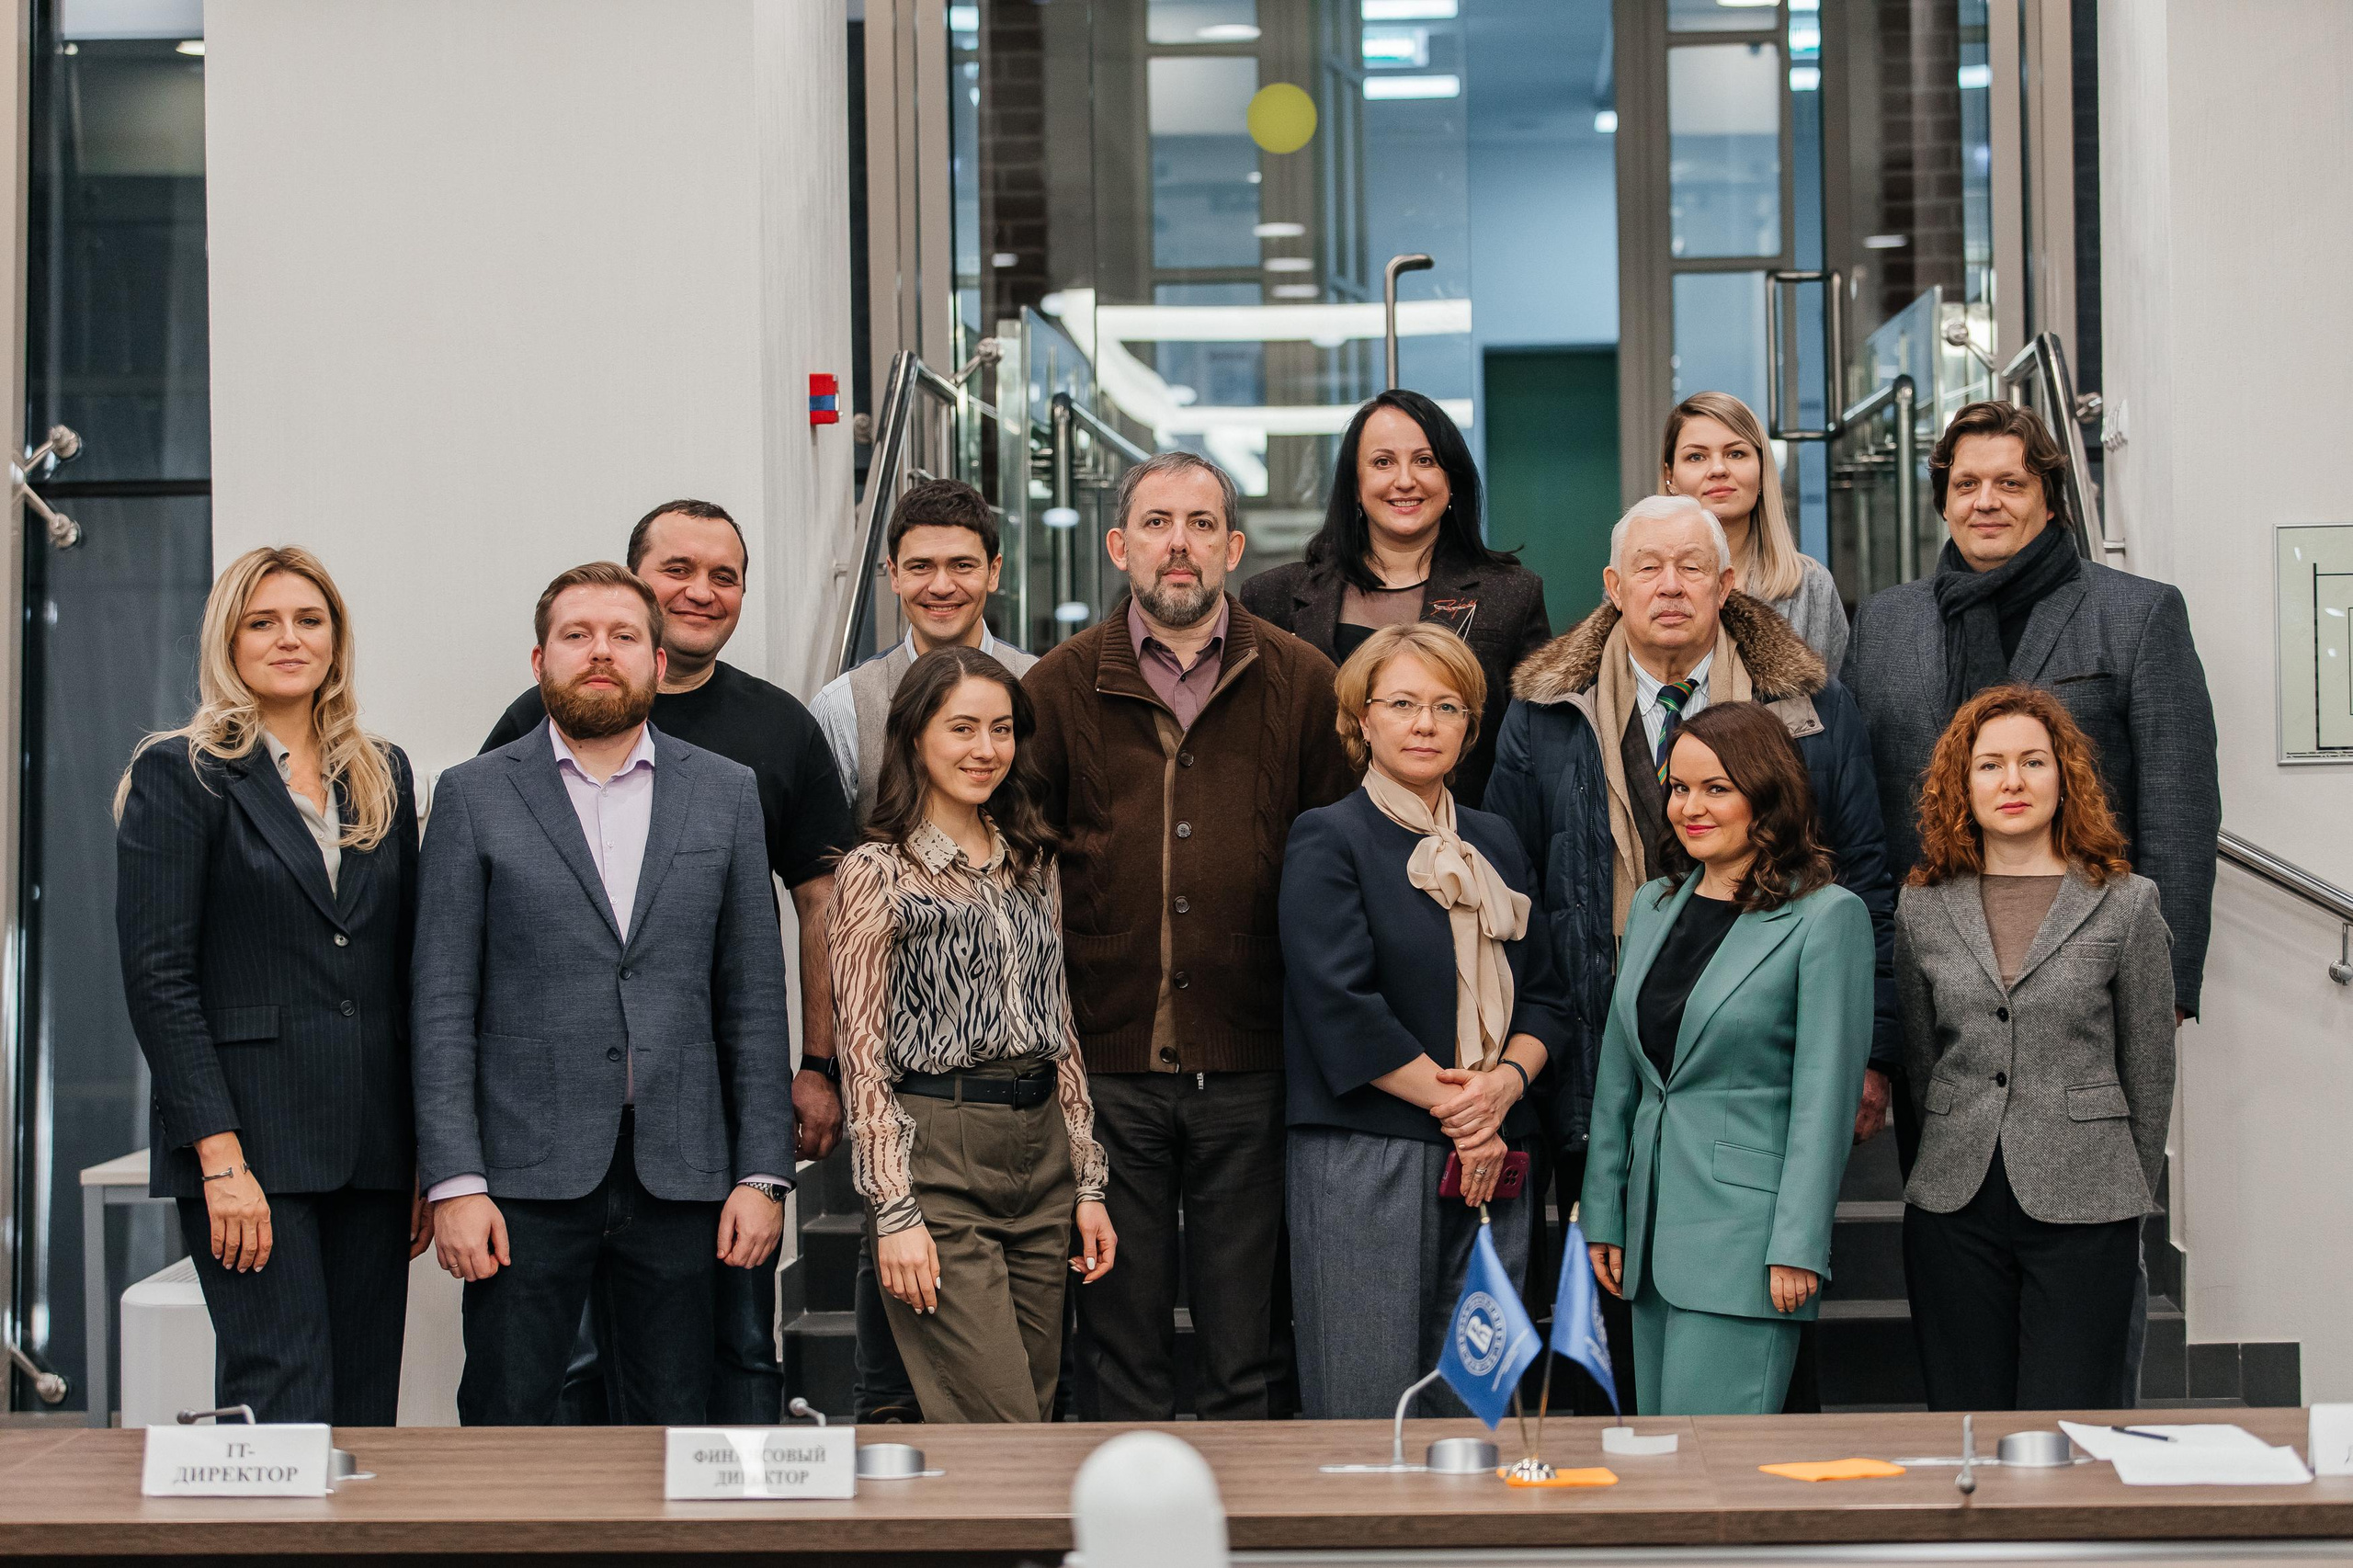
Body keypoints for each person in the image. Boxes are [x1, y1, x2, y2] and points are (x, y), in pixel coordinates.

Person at [1485, 493, 1894, 1413]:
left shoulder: (1811, 705)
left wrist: (1878, 1049)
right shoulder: (1541, 711)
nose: (1668, 585)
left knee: (1749, 1424)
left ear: (1727, 583)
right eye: (1648, 567)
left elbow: (1862, 870)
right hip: (1600, 1050)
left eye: (1689, 567)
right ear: (1612, 585)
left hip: (1753, 1080)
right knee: (1616, 1394)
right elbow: (1513, 903)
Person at [481, 498, 851, 1424]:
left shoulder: (777, 731)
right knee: (562, 1371)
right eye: (676, 568)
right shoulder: (537, 723)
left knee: (729, 1349)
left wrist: (815, 1066)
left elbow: (817, 907)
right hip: (559, 1133)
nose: (700, 590)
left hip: (712, 1121)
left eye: (724, 574)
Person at [416, 562, 796, 1426]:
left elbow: (753, 999)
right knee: (511, 1418)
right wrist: (455, 1182)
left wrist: (762, 1173)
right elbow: (440, 1004)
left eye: (624, 636)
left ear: (660, 664)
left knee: (673, 1424)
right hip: (520, 1177)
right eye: (577, 635)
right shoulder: (473, 797)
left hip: (684, 1172)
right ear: (539, 661)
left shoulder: (727, 793)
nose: (600, 652)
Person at [1024, 449, 1358, 1421]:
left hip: (1251, 1068)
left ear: (1234, 547)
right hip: (1106, 1069)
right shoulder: (1057, 685)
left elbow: (1339, 865)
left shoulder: (1302, 680)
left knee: (1244, 1344)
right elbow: (1016, 856)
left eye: (1202, 523)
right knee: (1117, 1339)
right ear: (1121, 545)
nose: (1180, 542)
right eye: (1159, 522)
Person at [115, 546, 425, 1425]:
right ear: (229, 640)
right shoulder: (182, 773)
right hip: (250, 1146)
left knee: (367, 1408)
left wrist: (420, 1154)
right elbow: (159, 979)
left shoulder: (381, 773)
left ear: (336, 638)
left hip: (372, 1144)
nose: (289, 639)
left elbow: (404, 975)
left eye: (309, 620)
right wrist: (219, 1160)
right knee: (282, 1394)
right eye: (264, 622)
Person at [1841, 399, 2218, 1026]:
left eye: (2009, 483)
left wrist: (2167, 986)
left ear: (2049, 500)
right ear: (1943, 502)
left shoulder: (2138, 616)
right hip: (1927, 975)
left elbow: (2179, 809)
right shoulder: (1884, 623)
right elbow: (1860, 817)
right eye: (1966, 485)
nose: (1985, 501)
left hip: (2087, 978)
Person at [1279, 623, 1573, 1418]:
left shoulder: (1498, 839)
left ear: (1470, 726)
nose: (1425, 724)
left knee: (1484, 1402)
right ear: (1361, 720)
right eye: (1402, 703)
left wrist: (1502, 1091)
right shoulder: (1328, 837)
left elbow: (1546, 996)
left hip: (1495, 1155)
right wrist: (1463, 1108)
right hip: (1368, 1155)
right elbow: (1339, 1007)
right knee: (1370, 1401)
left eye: (1447, 707)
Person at [829, 645, 1116, 1421]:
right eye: (961, 728)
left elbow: (1060, 1029)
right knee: (1002, 1422)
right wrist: (894, 1211)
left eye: (1000, 729)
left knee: (1036, 1404)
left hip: (1042, 1152)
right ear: (915, 734)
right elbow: (860, 1054)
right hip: (940, 1152)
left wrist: (1087, 1181)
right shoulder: (876, 871)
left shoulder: (1031, 861)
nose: (984, 749)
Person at [1579, 702, 1875, 1416]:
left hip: (1749, 1241)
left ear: (1766, 794)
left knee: (1715, 1476)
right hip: (1647, 1238)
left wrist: (1799, 1242)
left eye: (1716, 788)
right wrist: (1604, 1213)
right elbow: (1621, 1076)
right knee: (1662, 1469)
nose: (1690, 807)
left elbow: (1823, 1100)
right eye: (1680, 788)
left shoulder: (1827, 917)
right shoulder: (1654, 904)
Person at [1896, 685, 2175, 1411]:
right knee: (1965, 1420)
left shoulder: (2126, 900)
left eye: (2032, 762)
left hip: (2087, 1199)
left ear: (2065, 777)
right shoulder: (1922, 906)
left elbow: (2149, 1068)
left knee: (2070, 1421)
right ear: (1963, 784)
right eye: (1989, 766)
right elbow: (1924, 1062)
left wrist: (2125, 1189)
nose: (2012, 782)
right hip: (1956, 1203)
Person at [1241, 389, 1550, 808]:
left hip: (1460, 848)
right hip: (1314, 847)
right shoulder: (1271, 598)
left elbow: (1531, 756)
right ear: (1355, 483)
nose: (1405, 480)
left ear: (1451, 479)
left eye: (1425, 461)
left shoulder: (1510, 595)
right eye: (1383, 462)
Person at [813, 478, 1037, 821]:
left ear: (993, 572)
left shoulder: (1040, 684)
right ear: (895, 575)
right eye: (921, 566)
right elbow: (822, 860)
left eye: (962, 565)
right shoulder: (844, 707)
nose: (942, 586)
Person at [1659, 392, 1848, 670]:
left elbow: (1834, 708)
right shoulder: (1636, 583)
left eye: (1736, 453)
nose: (1719, 469)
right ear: (1670, 477)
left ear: (1761, 472)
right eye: (1697, 457)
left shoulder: (1810, 586)